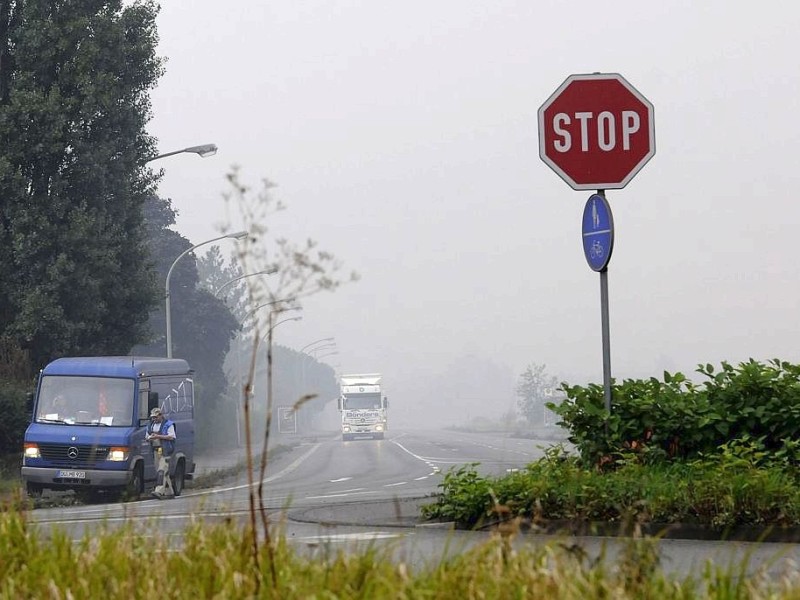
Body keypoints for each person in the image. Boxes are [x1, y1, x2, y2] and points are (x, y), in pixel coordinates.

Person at [145, 407, 176, 499]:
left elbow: (172, 437)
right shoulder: (150, 425)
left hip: (166, 451)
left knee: (161, 471)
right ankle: (169, 492)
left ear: (161, 415)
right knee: (162, 472)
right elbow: (146, 436)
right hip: (155, 451)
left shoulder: (168, 425)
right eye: (153, 417)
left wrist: (158, 436)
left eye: (156, 417)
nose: (154, 419)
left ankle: (158, 491)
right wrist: (150, 438)